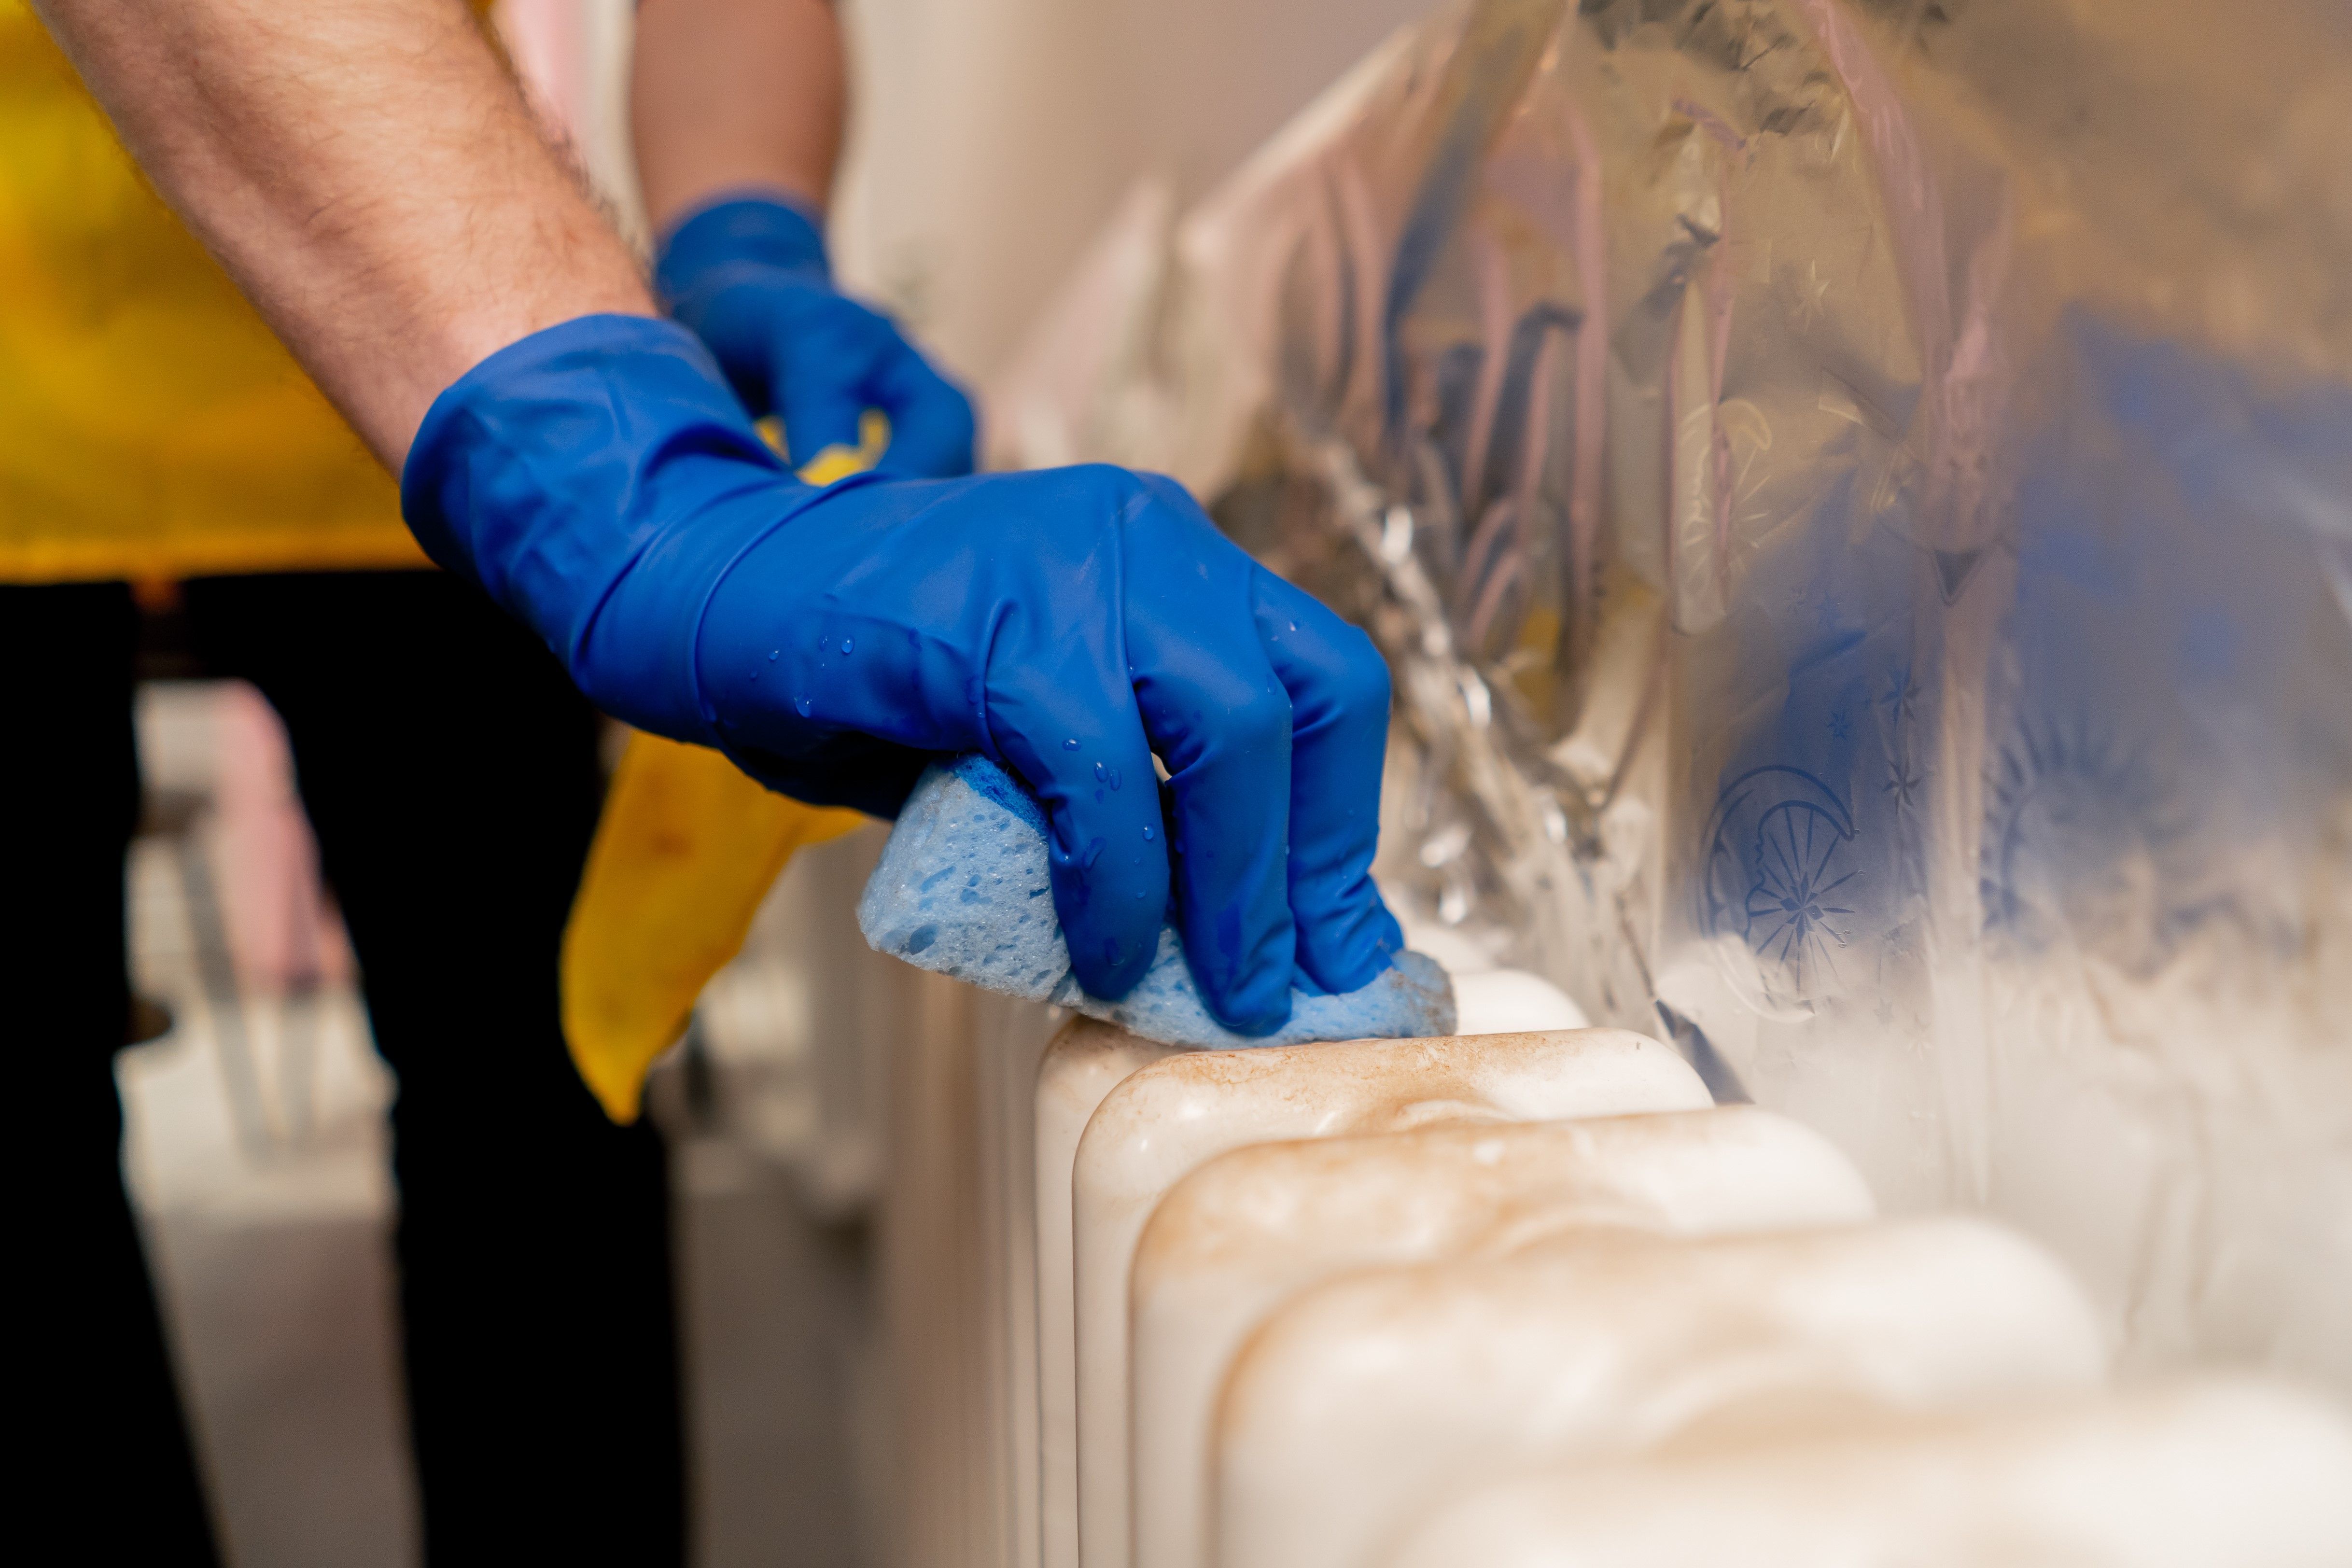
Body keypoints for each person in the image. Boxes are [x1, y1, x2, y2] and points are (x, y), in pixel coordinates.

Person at [18, 0, 1402, 1558]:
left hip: (386, 380)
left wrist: (744, 233)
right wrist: (600, 462)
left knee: (528, 1081)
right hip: (374, 333)